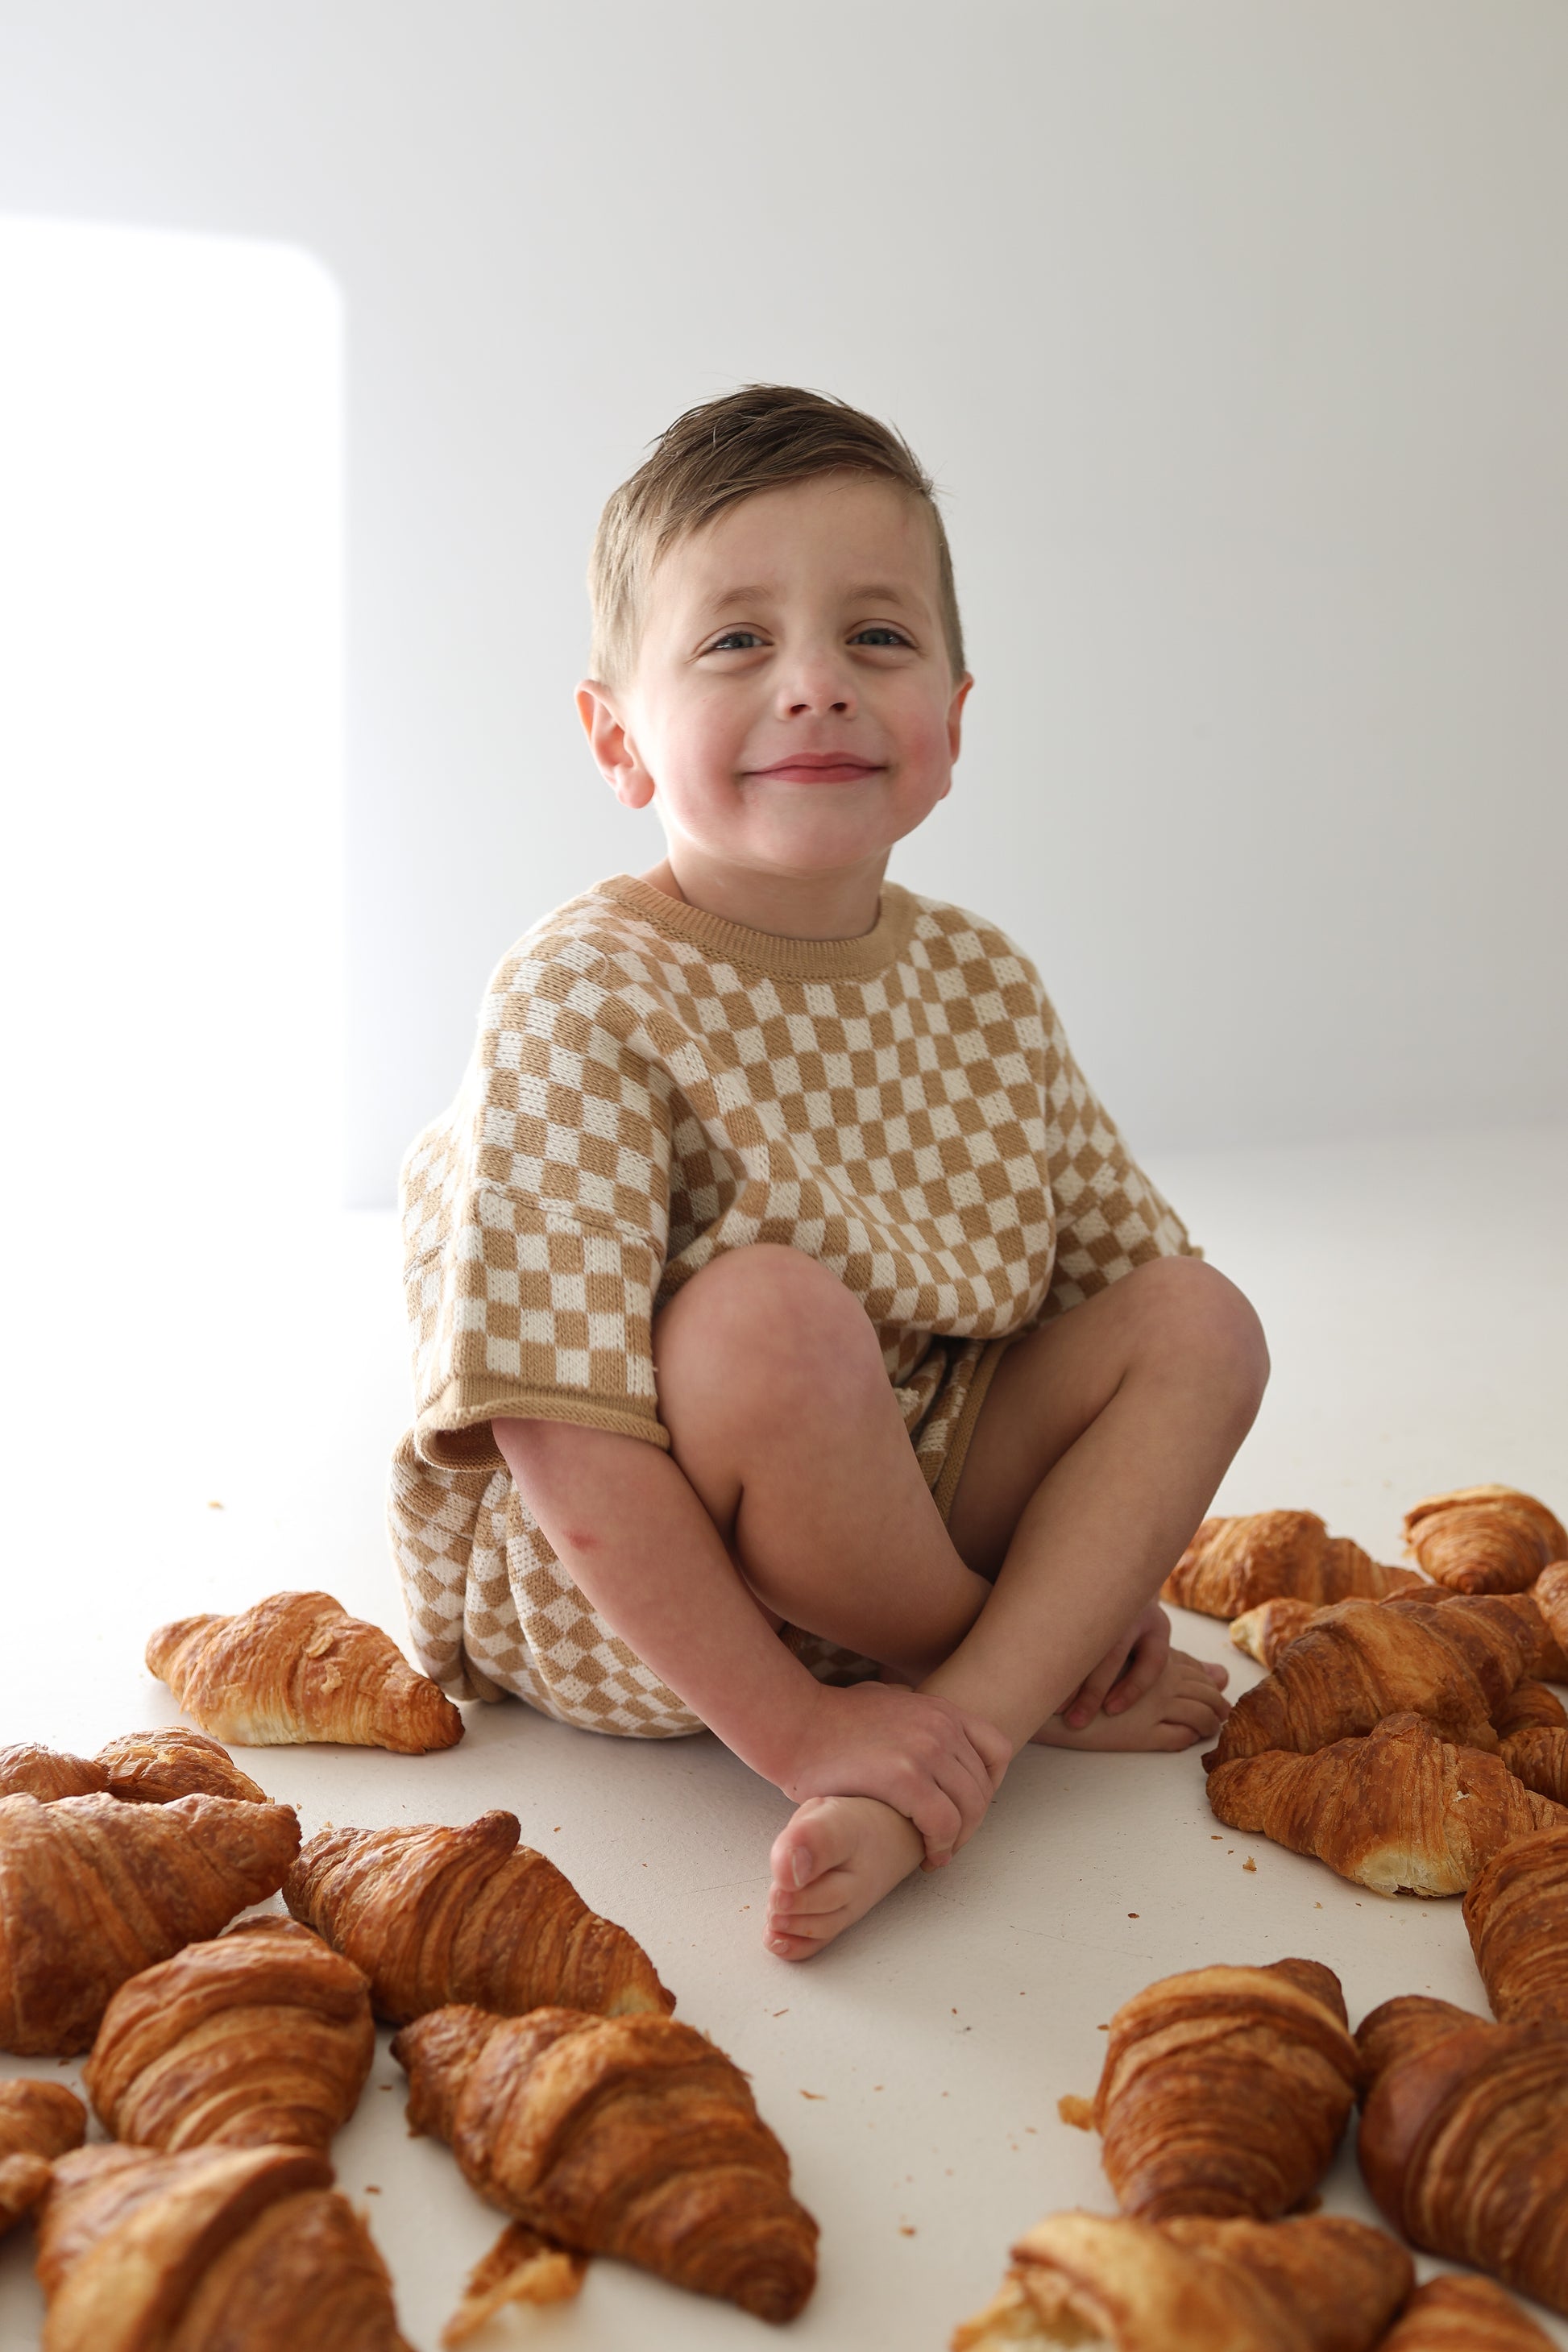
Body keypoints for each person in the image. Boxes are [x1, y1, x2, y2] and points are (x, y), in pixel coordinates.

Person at [389, 385, 1264, 1960]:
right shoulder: (585, 991)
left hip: (900, 1509)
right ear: (615, 735)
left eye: (875, 637)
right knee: (765, 1321)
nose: (814, 686)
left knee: (1201, 1318)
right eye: (734, 643)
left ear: (951, 716)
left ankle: (974, 1723)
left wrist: (1080, 1540)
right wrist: (801, 1729)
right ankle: (980, 1685)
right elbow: (551, 1422)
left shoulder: (979, 981)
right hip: (650, 1585)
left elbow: (1115, 1293)